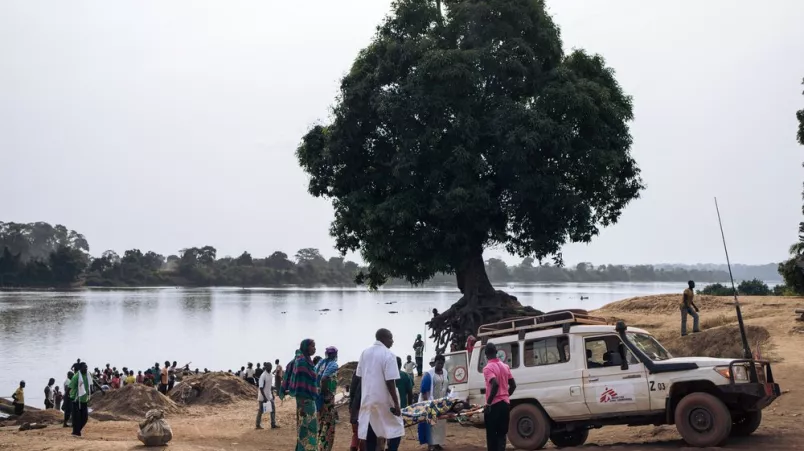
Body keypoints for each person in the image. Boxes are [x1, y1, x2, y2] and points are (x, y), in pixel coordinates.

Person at [355, 328, 404, 451]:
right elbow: (390, 381)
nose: (392, 341)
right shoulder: (389, 355)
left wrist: (358, 400)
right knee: (396, 429)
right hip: (384, 400)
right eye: (391, 338)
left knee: (371, 430)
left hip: (368, 399)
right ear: (383, 338)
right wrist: (396, 404)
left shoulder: (364, 352)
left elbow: (360, 377)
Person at [483, 343, 516, 451]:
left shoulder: (487, 368)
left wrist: (488, 403)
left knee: (492, 436)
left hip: (494, 406)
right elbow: (513, 385)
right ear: (496, 352)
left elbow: (495, 384)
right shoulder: (505, 366)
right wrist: (506, 395)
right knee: (502, 435)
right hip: (505, 404)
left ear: (486, 354)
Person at [290, 339, 319, 451]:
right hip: (304, 402)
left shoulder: (307, 361)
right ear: (306, 347)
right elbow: (300, 385)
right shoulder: (302, 362)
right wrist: (302, 405)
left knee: (307, 429)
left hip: (309, 400)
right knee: (307, 429)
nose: (314, 348)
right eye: (312, 346)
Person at [419, 354, 449, 451]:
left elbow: (446, 385)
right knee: (432, 424)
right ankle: (431, 445)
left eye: (442, 363)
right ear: (435, 362)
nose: (440, 365)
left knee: (440, 424)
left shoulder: (445, 372)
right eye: (438, 363)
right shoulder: (429, 374)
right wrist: (428, 404)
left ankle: (438, 443)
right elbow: (424, 391)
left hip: (442, 402)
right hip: (430, 402)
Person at [315, 346, 339, 451]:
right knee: (328, 425)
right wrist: (325, 393)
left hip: (318, 399)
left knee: (320, 423)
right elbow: (324, 378)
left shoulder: (319, 364)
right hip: (327, 400)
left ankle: (318, 446)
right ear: (335, 355)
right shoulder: (333, 365)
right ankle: (323, 448)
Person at [69, 362, 92, 437]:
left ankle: (77, 431)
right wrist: (67, 398)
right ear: (80, 368)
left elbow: (93, 382)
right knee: (77, 418)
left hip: (84, 400)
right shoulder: (76, 377)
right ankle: (76, 432)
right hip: (76, 400)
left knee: (85, 418)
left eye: (86, 368)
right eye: (84, 367)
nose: (86, 369)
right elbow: (69, 388)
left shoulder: (88, 375)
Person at [257, 361, 278, 429]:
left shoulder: (270, 375)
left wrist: (272, 393)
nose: (270, 368)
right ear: (266, 367)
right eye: (269, 366)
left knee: (273, 410)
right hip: (262, 397)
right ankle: (257, 425)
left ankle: (273, 424)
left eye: (271, 366)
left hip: (269, 396)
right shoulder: (263, 375)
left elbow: (269, 386)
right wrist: (265, 398)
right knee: (261, 411)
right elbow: (261, 388)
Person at [348, 372, 363, 451]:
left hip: (356, 406)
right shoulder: (372, 370)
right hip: (363, 407)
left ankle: (354, 447)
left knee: (356, 433)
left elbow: (352, 391)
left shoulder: (357, 371)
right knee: (364, 434)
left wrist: (351, 406)